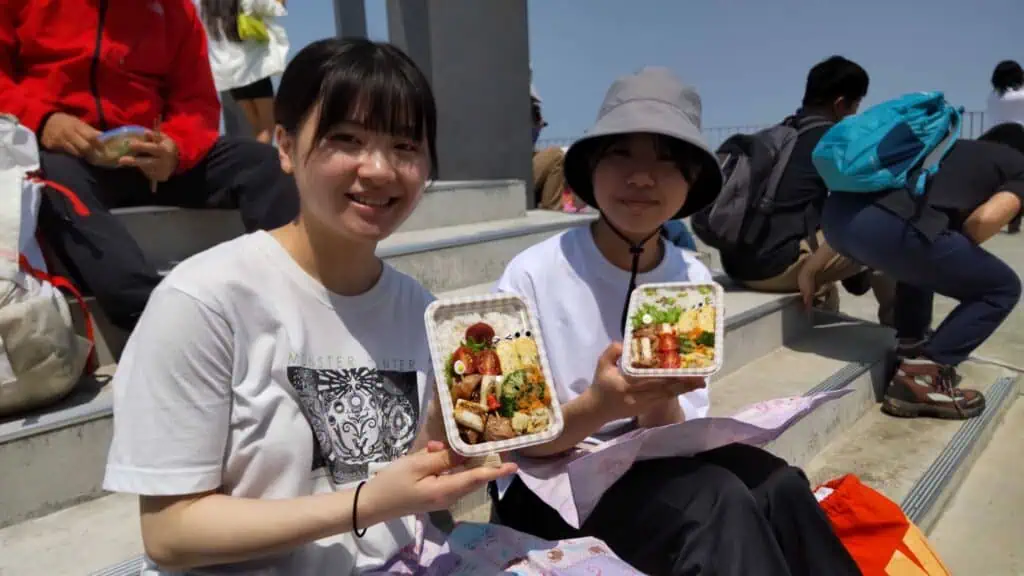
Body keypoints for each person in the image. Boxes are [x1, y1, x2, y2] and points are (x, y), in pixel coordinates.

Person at [101, 38, 516, 575]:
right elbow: (170, 533)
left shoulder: (423, 312)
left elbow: (418, 499)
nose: (380, 169)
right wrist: (368, 502)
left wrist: (454, 440)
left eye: (405, 146)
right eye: (347, 139)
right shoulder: (204, 301)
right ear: (284, 146)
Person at [492, 67, 861, 576]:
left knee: (779, 485)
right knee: (716, 502)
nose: (642, 177)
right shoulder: (531, 273)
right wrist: (602, 405)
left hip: (644, 462)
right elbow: (513, 440)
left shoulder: (690, 277)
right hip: (546, 485)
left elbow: (671, 434)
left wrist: (657, 393)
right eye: (621, 154)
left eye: (667, 162)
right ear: (592, 169)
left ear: (688, 185)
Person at [0, 0, 298, 332]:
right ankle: (157, 321)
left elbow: (196, 101)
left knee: (263, 164)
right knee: (50, 177)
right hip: (63, 156)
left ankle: (299, 294)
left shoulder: (177, 10)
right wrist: (42, 122)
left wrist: (176, 147)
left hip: (153, 160)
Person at [821, 136, 1024, 420]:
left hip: (835, 219)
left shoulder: (950, 150)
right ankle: (920, 377)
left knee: (924, 247)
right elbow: (983, 221)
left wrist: (812, 269)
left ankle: (910, 344)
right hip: (886, 225)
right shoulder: (1019, 166)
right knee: (1001, 288)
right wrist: (955, 258)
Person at [720, 56, 895, 324]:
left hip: (735, 266)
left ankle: (821, 312)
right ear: (840, 104)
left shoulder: (779, 134)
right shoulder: (836, 141)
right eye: (856, 105)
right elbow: (865, 209)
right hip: (775, 270)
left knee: (819, 260)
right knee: (897, 231)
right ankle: (905, 337)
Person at [200, 0, 290, 144]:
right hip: (252, 70)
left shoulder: (206, 6)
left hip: (230, 75)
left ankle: (255, 161)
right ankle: (259, 164)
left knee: (257, 127)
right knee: (268, 125)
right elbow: (273, 8)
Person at [982, 60, 1024, 233]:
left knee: (999, 180)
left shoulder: (993, 96)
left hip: (995, 138)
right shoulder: (1021, 94)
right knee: (1020, 180)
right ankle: (1014, 220)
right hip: (1019, 136)